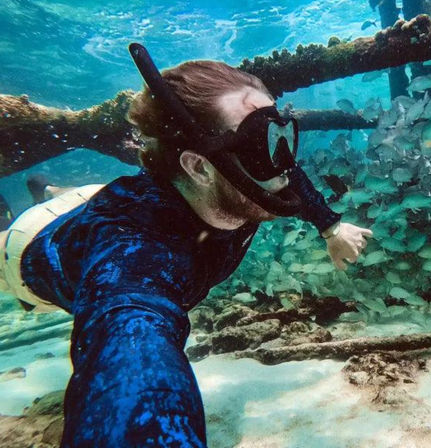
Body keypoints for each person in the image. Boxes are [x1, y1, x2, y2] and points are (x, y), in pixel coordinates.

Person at [0, 43, 372, 447]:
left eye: (284, 135)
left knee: (80, 199)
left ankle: (49, 188)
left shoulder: (244, 175)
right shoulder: (133, 255)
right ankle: (40, 199)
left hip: (97, 198)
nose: (283, 160)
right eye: (262, 142)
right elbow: (131, 347)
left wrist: (331, 227)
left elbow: (289, 172)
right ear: (198, 165)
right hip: (26, 247)